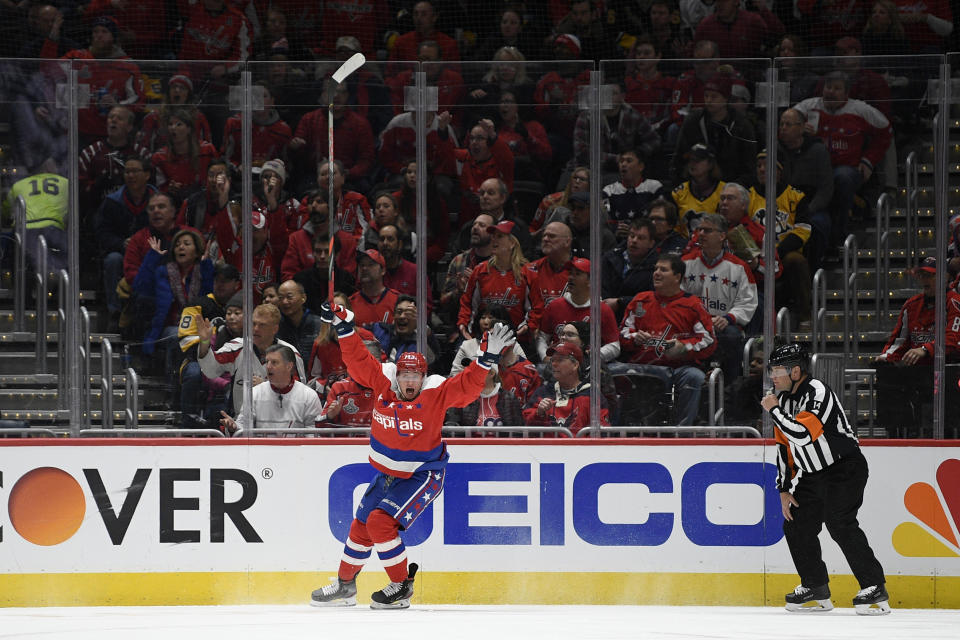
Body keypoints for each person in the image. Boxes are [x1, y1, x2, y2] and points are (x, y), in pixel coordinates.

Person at [309, 304, 513, 609]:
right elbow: (357, 361)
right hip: (389, 474)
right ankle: (345, 587)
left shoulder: (437, 392)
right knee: (361, 525)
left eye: (415, 376)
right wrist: (344, 326)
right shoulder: (383, 383)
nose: (409, 381)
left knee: (379, 523)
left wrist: (487, 360)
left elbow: (469, 387)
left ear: (423, 377)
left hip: (423, 473)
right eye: (404, 374)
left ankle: (400, 587)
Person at [760, 343, 890, 615]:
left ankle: (874, 585)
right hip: (813, 474)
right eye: (771, 370)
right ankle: (815, 586)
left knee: (839, 521)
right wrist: (783, 488)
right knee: (796, 525)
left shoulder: (818, 392)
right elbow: (784, 448)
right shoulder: (782, 400)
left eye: (778, 370)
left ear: (796, 371)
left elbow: (803, 435)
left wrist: (773, 411)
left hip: (844, 469)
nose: (773, 376)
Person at [614, 253, 717, 425]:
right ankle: (613, 429)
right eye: (655, 269)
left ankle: (682, 433)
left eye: (663, 269)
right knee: (609, 371)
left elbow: (708, 340)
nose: (656, 273)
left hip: (677, 370)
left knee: (694, 377)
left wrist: (682, 347)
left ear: (677, 277)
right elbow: (623, 332)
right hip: (640, 367)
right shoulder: (640, 300)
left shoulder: (693, 305)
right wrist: (634, 337)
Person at [873, 257, 960, 437]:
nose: (924, 280)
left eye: (930, 276)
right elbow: (899, 341)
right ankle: (898, 434)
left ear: (944, 278)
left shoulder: (954, 302)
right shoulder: (911, 305)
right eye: (922, 275)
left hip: (949, 373)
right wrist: (885, 358)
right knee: (886, 373)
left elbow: (953, 339)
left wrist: (925, 349)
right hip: (919, 375)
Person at [680, 213, 757, 385]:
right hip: (692, 324)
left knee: (731, 337)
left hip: (725, 324)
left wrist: (728, 318)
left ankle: (731, 388)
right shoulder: (685, 263)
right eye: (699, 230)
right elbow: (677, 296)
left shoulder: (738, 267)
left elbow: (748, 301)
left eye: (707, 230)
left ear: (722, 236)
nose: (701, 234)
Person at [197, 302, 305, 415]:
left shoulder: (290, 353)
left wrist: (267, 388)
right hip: (242, 424)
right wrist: (204, 342)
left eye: (262, 325)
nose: (255, 329)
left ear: (275, 329)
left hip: (280, 422)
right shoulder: (237, 348)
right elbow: (210, 371)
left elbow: (300, 394)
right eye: (253, 324)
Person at [219, 345, 322, 434]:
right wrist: (234, 427)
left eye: (274, 362)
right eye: (267, 361)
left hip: (297, 455)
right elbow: (243, 427)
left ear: (289, 366)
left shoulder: (309, 396)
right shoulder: (254, 393)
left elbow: (314, 433)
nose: (268, 367)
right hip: (262, 453)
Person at [522, 341, 610, 434]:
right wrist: (538, 413)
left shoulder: (591, 396)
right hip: (548, 448)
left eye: (560, 360)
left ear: (575, 365)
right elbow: (526, 424)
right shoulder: (542, 393)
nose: (554, 364)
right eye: (553, 360)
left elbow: (601, 432)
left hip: (579, 448)